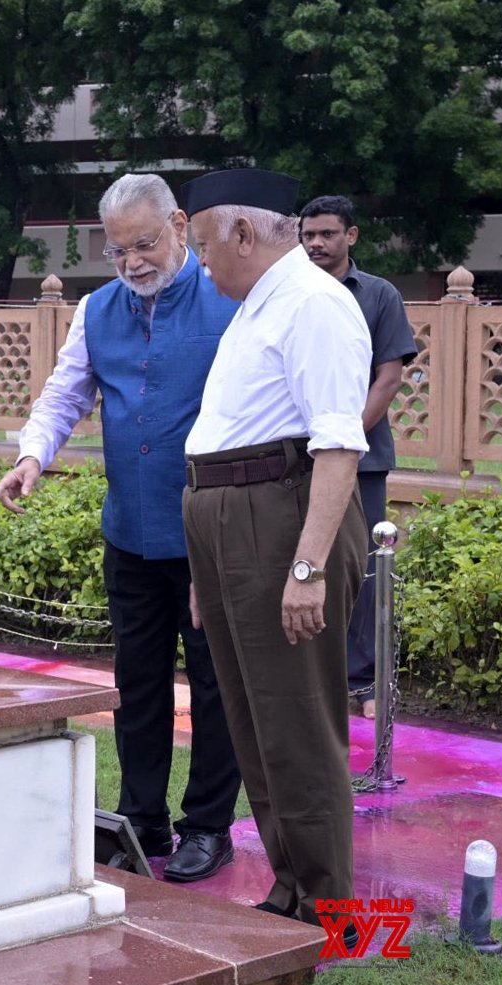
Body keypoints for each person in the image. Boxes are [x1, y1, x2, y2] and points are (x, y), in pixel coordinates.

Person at [0, 174, 243, 882]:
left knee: (214, 683)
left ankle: (207, 825)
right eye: (115, 250)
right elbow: (65, 391)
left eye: (144, 243)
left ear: (178, 224)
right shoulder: (98, 310)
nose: (132, 261)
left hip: (206, 530)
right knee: (136, 683)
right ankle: (142, 818)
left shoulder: (229, 301)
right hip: (129, 531)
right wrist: (30, 456)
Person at [179, 168, 370, 931]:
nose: (199, 264)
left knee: (295, 721)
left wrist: (305, 566)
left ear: (243, 233)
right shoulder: (260, 304)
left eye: (201, 246)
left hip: (280, 520)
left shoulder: (314, 305)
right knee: (254, 722)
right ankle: (292, 890)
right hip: (233, 523)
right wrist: (208, 565)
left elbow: (335, 444)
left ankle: (331, 914)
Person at [299, 196, 420, 719]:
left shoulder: (378, 295)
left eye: (327, 234)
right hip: (294, 458)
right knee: (305, 563)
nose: (316, 244)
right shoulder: (289, 294)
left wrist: (343, 439)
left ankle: (367, 682)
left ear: (352, 236)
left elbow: (388, 378)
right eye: (308, 235)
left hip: (360, 458)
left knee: (365, 568)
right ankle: (310, 675)